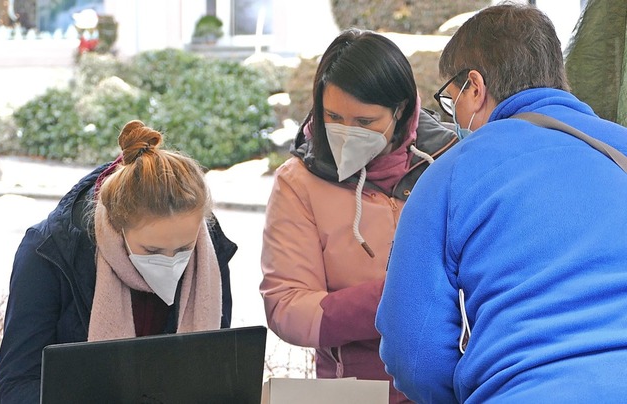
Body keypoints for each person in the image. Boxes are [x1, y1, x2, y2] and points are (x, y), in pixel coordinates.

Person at [376, 3, 627, 403]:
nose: (452, 116)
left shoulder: (451, 173)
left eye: (450, 100)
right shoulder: (621, 149)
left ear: (474, 88)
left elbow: (413, 351)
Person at [259, 28, 457, 403]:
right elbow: (286, 305)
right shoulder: (298, 182)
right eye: (334, 117)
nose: (347, 134)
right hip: (354, 393)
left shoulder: (451, 161)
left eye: (365, 122)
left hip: (453, 388)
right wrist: (394, 300)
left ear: (400, 111)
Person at [0, 120, 237, 403]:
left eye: (184, 249)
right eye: (152, 251)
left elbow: (220, 373)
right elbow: (15, 385)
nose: (172, 264)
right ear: (117, 226)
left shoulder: (209, 252)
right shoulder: (48, 252)